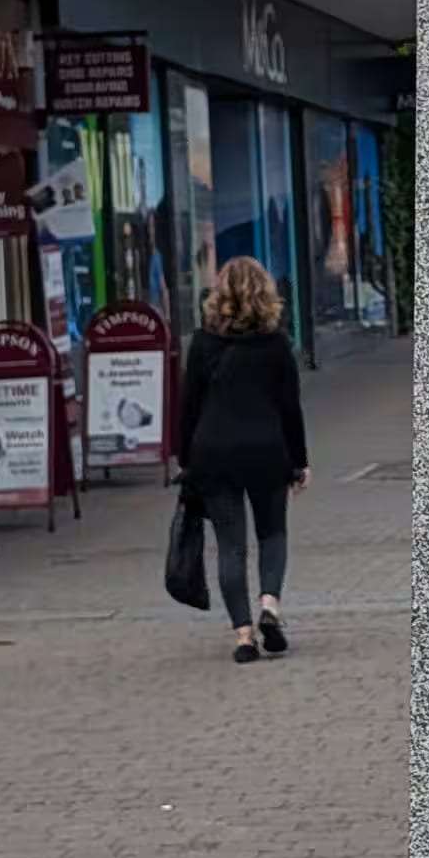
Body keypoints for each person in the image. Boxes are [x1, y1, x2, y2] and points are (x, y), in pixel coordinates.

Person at [177, 255, 309, 665]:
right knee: (272, 534)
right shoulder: (276, 343)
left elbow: (189, 407)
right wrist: (299, 461)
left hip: (214, 454)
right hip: (267, 451)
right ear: (264, 293)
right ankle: (270, 605)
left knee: (231, 547)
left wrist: (185, 460)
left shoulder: (201, 344)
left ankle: (244, 637)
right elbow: (290, 407)